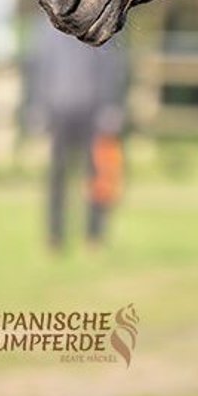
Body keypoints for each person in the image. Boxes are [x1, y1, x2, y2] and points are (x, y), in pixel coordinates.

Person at [29, 19, 128, 250]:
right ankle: (54, 236)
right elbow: (38, 69)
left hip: (92, 111)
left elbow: (112, 68)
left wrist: (110, 106)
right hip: (58, 110)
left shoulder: (96, 21)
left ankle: (94, 235)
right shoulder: (45, 29)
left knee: (96, 176)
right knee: (57, 177)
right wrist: (37, 107)